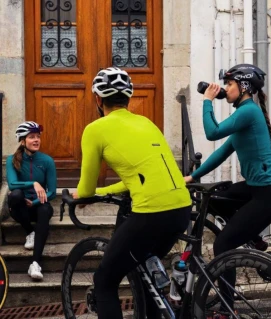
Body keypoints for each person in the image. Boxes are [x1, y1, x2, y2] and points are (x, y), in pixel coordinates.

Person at [72, 67, 192, 319]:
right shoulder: (147, 122)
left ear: (98, 99)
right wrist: (105, 191)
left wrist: (79, 197)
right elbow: (136, 179)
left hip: (150, 213)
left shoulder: (95, 129)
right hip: (181, 207)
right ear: (128, 98)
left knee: (104, 280)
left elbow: (85, 189)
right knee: (145, 270)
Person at [184, 64, 271, 319]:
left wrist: (207, 101)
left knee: (223, 245)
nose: (225, 88)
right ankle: (254, 238)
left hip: (269, 194)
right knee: (217, 197)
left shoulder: (248, 112)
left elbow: (212, 133)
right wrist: (193, 176)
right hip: (257, 188)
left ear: (243, 87)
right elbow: (222, 152)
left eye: (229, 84)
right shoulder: (245, 115)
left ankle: (227, 307)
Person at [6, 121, 57, 280]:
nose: (36, 140)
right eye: (31, 137)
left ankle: (35, 263)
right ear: (22, 141)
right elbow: (12, 184)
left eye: (38, 137)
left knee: (45, 209)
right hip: (20, 209)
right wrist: (33, 183)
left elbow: (53, 192)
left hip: (37, 206)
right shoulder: (12, 160)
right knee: (15, 195)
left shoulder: (47, 161)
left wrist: (34, 202)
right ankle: (29, 231)